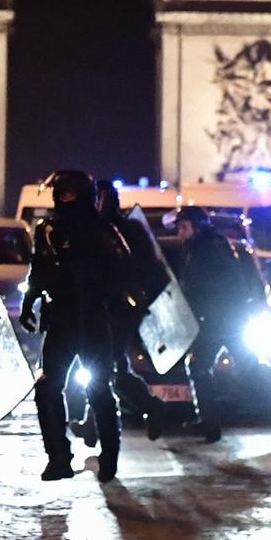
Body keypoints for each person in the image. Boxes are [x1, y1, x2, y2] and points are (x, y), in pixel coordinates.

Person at [20, 170, 129, 482]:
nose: (60, 197)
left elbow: (122, 272)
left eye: (67, 192)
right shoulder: (48, 230)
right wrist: (30, 301)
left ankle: (109, 457)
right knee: (47, 388)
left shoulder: (102, 230)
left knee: (99, 389)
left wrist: (111, 302)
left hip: (93, 317)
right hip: (62, 317)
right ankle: (58, 457)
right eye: (59, 192)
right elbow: (38, 269)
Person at [174, 205, 251, 443]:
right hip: (211, 320)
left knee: (244, 367)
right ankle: (209, 422)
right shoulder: (196, 248)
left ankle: (216, 419)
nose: (180, 232)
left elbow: (221, 285)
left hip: (220, 319)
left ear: (197, 227)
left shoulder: (210, 248)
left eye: (184, 227)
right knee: (199, 368)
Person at [95, 181, 165, 440]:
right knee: (110, 366)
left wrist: (138, 299)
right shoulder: (94, 229)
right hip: (101, 307)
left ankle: (98, 425)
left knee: (105, 363)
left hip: (120, 307)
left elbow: (148, 268)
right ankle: (151, 406)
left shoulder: (126, 230)